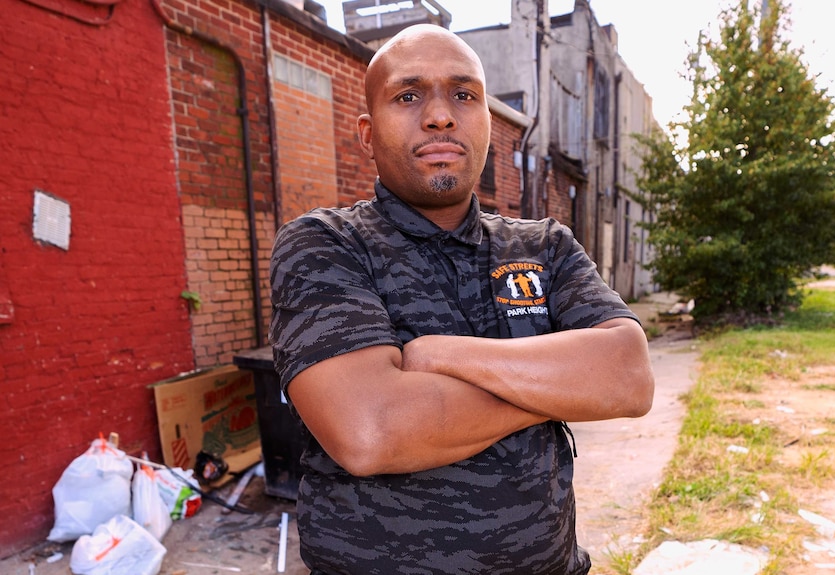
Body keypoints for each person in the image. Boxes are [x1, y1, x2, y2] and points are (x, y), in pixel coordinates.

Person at [269, 23, 655, 575]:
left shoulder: (544, 245)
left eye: (464, 94)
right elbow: (371, 431)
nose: (440, 115)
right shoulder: (325, 244)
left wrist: (439, 356)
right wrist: (561, 390)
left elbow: (628, 377)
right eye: (408, 95)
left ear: (486, 123)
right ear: (366, 132)